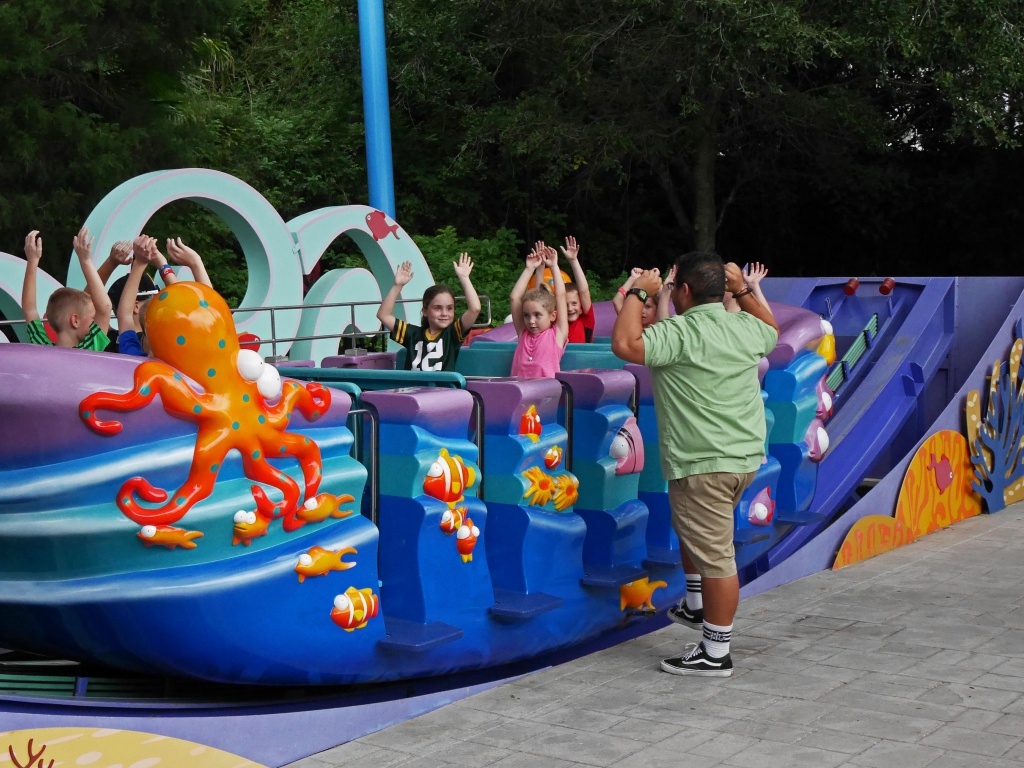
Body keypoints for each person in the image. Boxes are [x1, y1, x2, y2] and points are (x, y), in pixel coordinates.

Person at [611, 252, 778, 677]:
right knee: (694, 531)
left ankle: (715, 652)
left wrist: (638, 291)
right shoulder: (743, 325)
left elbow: (625, 344)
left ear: (683, 291)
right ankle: (698, 605)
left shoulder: (679, 332)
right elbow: (771, 329)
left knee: (718, 557)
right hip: (742, 457)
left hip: (704, 463)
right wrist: (743, 289)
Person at [377, 253, 481, 371]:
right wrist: (397, 286)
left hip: (443, 389)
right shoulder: (413, 334)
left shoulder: (452, 334)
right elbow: (383, 315)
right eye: (437, 308)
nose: (444, 313)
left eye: (449, 308)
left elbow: (475, 309)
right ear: (425, 311)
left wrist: (464, 278)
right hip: (413, 389)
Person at [21, 227, 112, 351]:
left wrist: (32, 261)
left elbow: (30, 310)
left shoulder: (42, 348)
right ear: (75, 320)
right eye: (93, 317)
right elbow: (105, 308)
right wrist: (85, 261)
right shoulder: (89, 350)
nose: (95, 321)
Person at [510, 243, 568, 378]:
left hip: (545, 395)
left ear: (553, 316)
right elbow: (514, 298)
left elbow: (560, 295)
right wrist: (529, 269)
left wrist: (554, 267)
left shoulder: (557, 335)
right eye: (526, 315)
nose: (531, 321)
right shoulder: (523, 332)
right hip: (520, 394)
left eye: (537, 315)